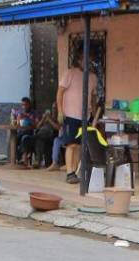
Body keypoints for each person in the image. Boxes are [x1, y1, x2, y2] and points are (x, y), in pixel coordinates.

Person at [56, 52, 94, 184]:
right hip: (70, 115)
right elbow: (60, 92)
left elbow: (92, 96)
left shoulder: (92, 77)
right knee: (71, 144)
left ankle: (75, 172)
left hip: (84, 117)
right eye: (85, 59)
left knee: (79, 145)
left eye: (89, 59)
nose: (87, 62)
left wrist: (93, 112)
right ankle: (69, 172)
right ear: (79, 60)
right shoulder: (70, 73)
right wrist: (60, 111)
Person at [11, 96, 38, 165]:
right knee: (13, 140)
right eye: (22, 105)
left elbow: (37, 124)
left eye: (26, 104)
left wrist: (27, 118)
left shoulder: (34, 113)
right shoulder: (20, 112)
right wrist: (15, 119)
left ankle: (24, 159)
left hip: (30, 134)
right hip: (20, 132)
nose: (24, 106)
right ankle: (16, 159)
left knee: (24, 138)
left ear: (29, 105)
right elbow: (14, 118)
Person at [33, 104, 59, 169]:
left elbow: (58, 128)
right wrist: (43, 119)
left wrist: (50, 120)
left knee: (38, 137)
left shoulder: (59, 117)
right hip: (41, 134)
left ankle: (38, 160)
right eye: (53, 108)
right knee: (38, 138)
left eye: (55, 108)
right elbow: (37, 127)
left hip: (50, 134)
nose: (54, 110)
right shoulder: (48, 116)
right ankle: (38, 160)